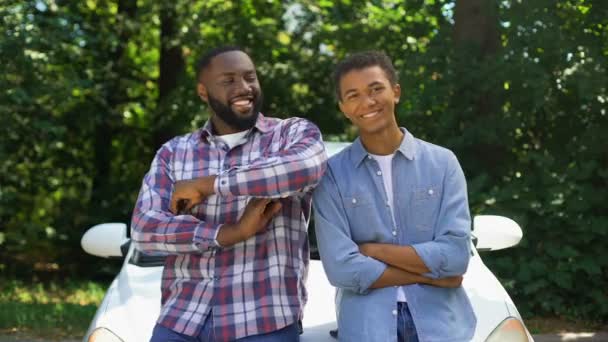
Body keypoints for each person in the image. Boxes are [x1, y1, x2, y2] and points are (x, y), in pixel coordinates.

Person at [130, 46, 327, 342]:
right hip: (181, 321)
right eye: (229, 80)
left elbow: (303, 169)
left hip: (264, 322)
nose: (244, 87)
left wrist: (208, 185)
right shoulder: (174, 153)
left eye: (250, 77)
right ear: (203, 92)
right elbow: (145, 229)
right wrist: (228, 233)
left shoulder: (291, 134)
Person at [312, 51, 476, 341]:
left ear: (395, 92)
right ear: (344, 108)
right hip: (368, 330)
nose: (368, 102)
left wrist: (374, 251)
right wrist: (430, 274)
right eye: (354, 95)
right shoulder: (332, 176)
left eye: (376, 89)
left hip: (441, 328)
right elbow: (341, 269)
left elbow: (455, 256)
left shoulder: (443, 163)